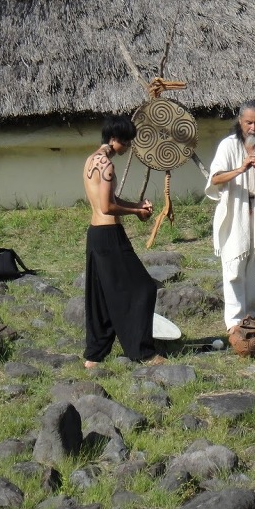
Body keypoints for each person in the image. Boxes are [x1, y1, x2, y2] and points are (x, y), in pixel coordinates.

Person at [81, 114, 162, 368]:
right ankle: (142, 351)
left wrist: (137, 205)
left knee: (101, 297)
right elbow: (107, 206)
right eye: (126, 143)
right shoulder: (106, 165)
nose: (127, 148)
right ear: (114, 139)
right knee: (144, 287)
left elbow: (109, 200)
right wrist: (136, 212)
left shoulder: (90, 160)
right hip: (109, 235)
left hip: (95, 234)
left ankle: (94, 356)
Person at [204, 100, 255, 334]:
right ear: (240, 121)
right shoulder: (228, 146)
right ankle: (234, 322)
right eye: (249, 122)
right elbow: (215, 179)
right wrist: (240, 169)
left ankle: (252, 315)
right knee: (233, 267)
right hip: (235, 213)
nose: (253, 128)